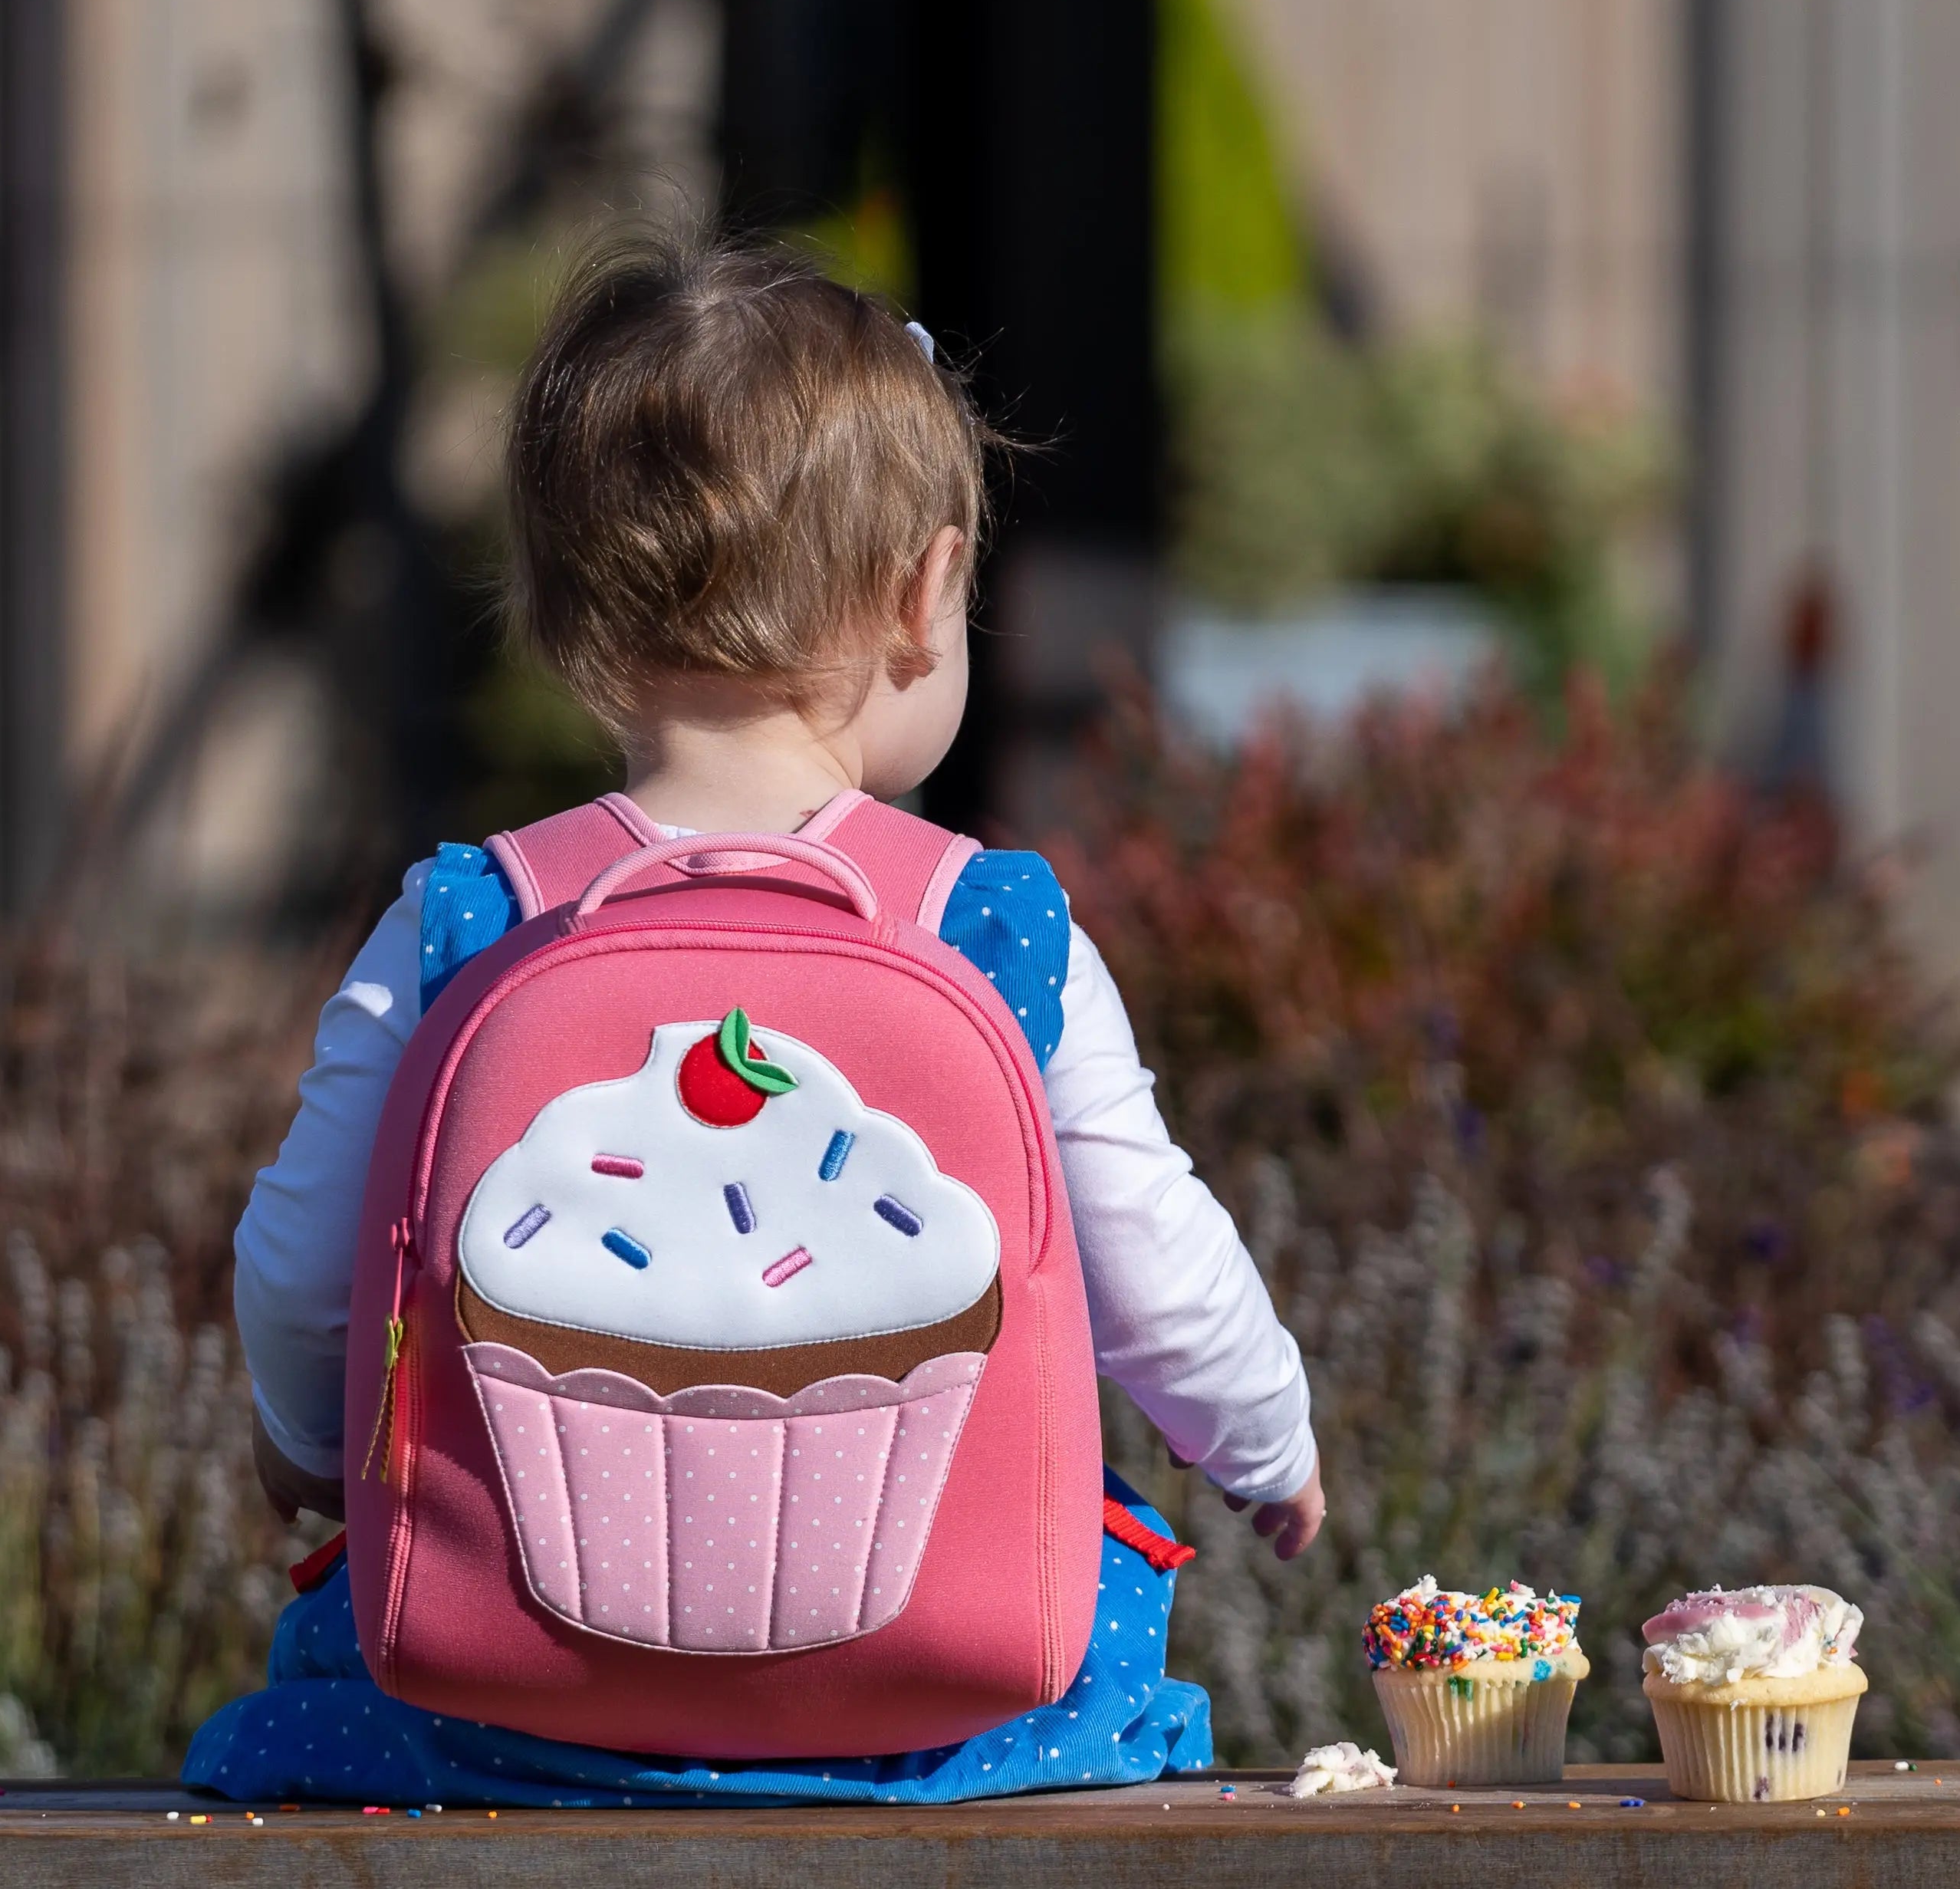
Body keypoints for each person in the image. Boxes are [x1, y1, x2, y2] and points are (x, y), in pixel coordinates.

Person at [186, 232, 1323, 1805]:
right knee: (1120, 1662)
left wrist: (303, 1436)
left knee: (329, 1680)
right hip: (955, 1708)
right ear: (928, 592)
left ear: (560, 602)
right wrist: (1270, 1444)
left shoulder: (465, 920)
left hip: (500, 1707)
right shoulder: (994, 932)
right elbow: (1154, 1263)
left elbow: (301, 1255)